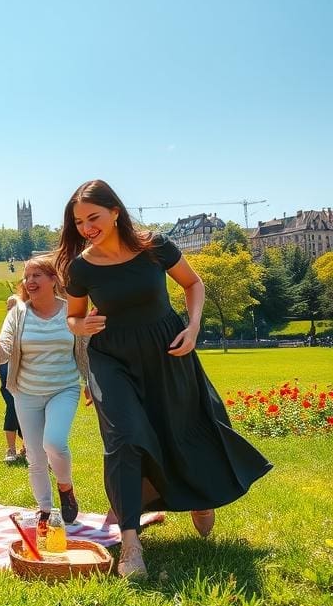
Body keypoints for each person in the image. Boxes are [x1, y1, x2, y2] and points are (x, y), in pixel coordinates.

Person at [55, 179, 272, 578]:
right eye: (79, 221)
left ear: (115, 211)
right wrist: (79, 326)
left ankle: (199, 495)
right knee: (124, 437)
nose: (86, 227)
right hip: (110, 357)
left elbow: (193, 283)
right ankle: (131, 545)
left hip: (167, 348)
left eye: (93, 217)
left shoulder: (154, 246)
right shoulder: (81, 267)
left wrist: (192, 327)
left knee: (181, 427)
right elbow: (73, 316)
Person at [0, 255, 88, 530]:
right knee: (35, 457)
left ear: (53, 279)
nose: (29, 281)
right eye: (26, 277)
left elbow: (86, 351)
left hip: (63, 389)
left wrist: (90, 383)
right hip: (25, 392)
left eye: (36, 275)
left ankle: (66, 488)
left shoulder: (70, 311)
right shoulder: (17, 314)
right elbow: (2, 354)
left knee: (54, 443)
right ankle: (44, 509)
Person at [0, 295, 25, 465]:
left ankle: (26, 447)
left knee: (27, 410)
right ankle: (11, 448)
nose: (11, 309)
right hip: (7, 375)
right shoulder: (6, 327)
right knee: (13, 407)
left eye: (14, 305)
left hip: (25, 376)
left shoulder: (27, 323)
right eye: (8, 306)